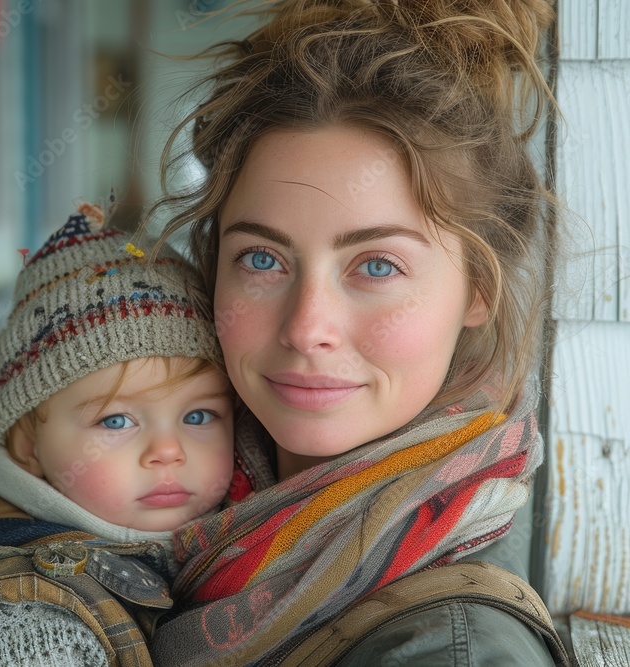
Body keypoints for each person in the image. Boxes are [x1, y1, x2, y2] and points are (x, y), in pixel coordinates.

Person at [145, 0, 571, 665]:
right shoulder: (159, 500)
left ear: (478, 290)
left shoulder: (449, 650)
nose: (307, 327)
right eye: (263, 259)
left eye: (376, 265)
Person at [0, 205, 236, 666]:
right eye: (115, 421)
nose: (168, 451)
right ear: (27, 446)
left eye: (198, 416)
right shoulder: (21, 627)